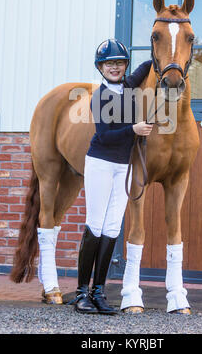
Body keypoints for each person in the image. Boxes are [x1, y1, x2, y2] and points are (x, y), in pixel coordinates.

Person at [72, 39, 153, 314]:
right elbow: (104, 136)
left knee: (112, 228)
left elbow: (149, 65)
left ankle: (98, 291)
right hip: (100, 163)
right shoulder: (100, 96)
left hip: (123, 167)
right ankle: (82, 291)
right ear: (101, 68)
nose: (115, 67)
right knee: (95, 224)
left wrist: (166, 55)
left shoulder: (129, 85)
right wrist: (135, 129)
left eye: (119, 62)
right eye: (109, 64)